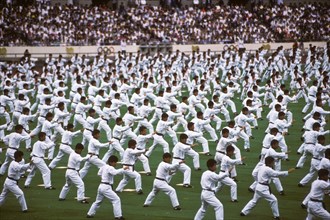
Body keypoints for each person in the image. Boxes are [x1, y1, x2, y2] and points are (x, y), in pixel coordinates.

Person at [87, 155, 126, 219]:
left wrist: (104, 177)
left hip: (101, 186)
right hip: (106, 187)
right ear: (111, 162)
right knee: (116, 199)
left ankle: (90, 214)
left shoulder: (103, 166)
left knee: (98, 201)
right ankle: (118, 216)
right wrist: (123, 169)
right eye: (115, 162)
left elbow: (99, 174)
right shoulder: (110, 168)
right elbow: (115, 173)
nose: (115, 164)